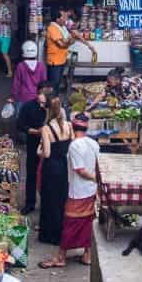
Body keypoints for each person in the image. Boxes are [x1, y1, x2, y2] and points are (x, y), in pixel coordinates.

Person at [42, 113, 99, 268]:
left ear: (73, 128)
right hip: (91, 191)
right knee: (88, 221)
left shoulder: (74, 146)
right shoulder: (93, 143)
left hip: (78, 191)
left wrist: (94, 178)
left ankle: (61, 257)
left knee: (70, 223)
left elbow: (80, 170)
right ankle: (87, 254)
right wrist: (96, 180)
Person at [37, 94, 73, 262]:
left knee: (49, 200)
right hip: (64, 167)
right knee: (61, 200)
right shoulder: (69, 126)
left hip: (51, 168)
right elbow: (71, 147)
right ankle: (61, 233)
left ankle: (49, 234)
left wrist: (39, 150)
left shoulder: (46, 128)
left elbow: (47, 153)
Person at [16, 82, 52, 215]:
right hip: (33, 144)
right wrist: (35, 132)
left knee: (47, 176)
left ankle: (46, 204)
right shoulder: (28, 106)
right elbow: (20, 125)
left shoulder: (53, 108)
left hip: (50, 147)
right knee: (31, 174)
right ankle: (30, 203)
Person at [45, 7, 95, 91]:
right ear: (57, 19)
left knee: (58, 83)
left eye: (66, 17)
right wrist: (70, 40)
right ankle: (51, 102)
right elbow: (61, 44)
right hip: (54, 62)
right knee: (54, 84)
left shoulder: (63, 27)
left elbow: (76, 35)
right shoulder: (52, 28)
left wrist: (89, 45)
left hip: (61, 60)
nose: (66, 19)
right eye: (63, 17)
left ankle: (56, 101)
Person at [10, 41, 47, 107]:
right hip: (37, 97)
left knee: (21, 116)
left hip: (23, 97)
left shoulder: (20, 66)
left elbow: (16, 83)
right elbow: (43, 83)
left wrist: (13, 96)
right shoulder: (41, 66)